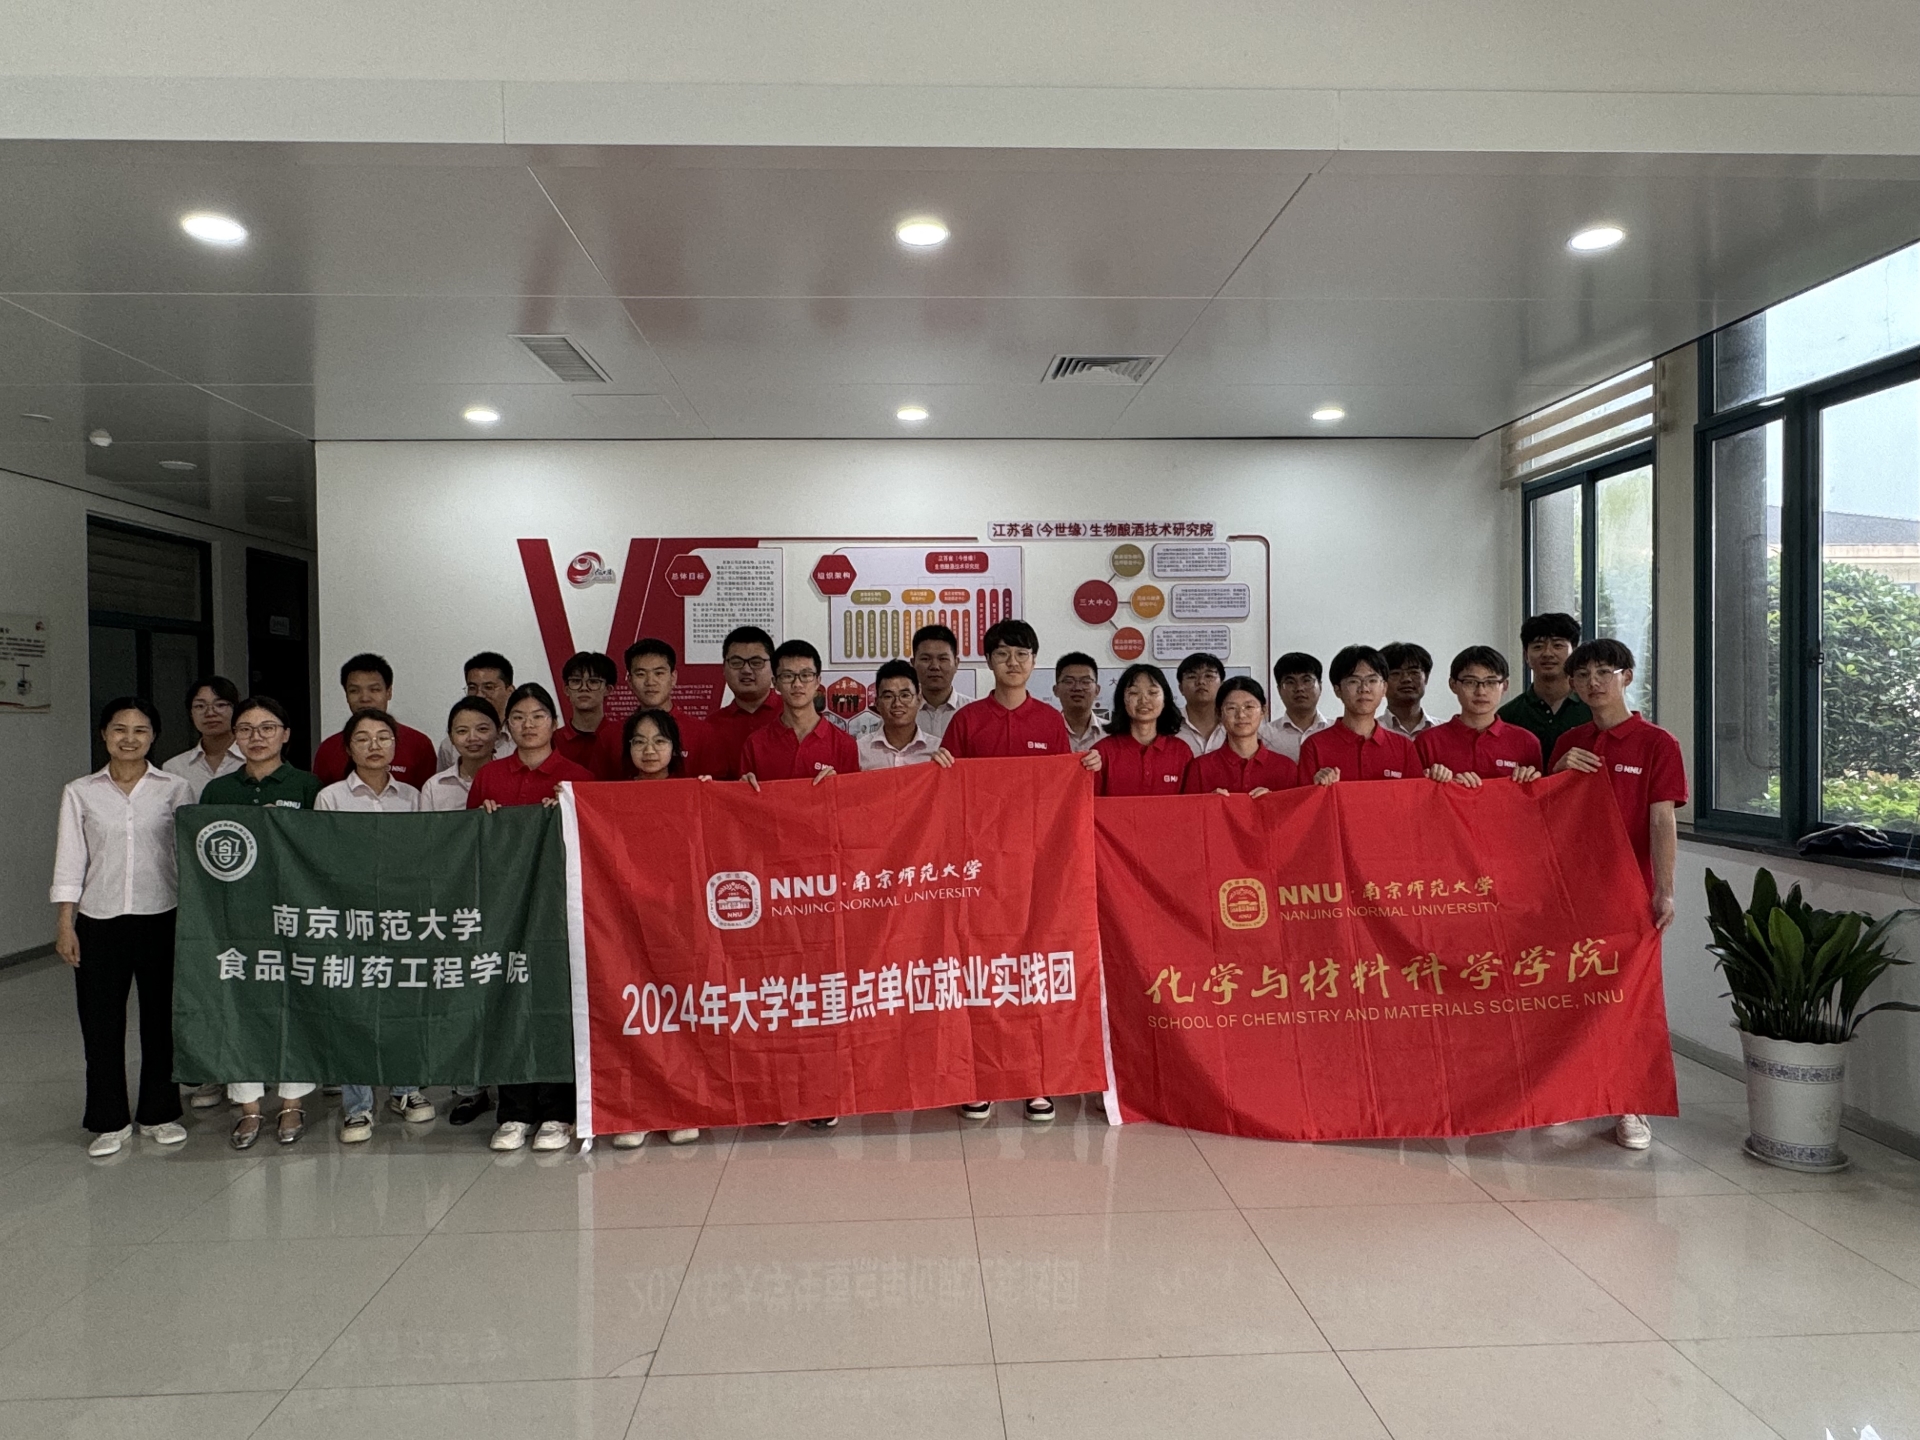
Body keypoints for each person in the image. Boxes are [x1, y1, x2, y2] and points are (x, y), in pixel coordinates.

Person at [937, 619, 1101, 1124]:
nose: (1013, 662)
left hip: (1037, 871)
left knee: (1033, 971)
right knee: (981, 972)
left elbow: (1061, 794)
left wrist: (1084, 770)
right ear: (988, 661)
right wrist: (939, 768)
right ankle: (981, 1079)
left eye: (1023, 654)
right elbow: (946, 799)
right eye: (1004, 653)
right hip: (979, 872)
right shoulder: (967, 721)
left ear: (1034, 662)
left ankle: (1035, 1080)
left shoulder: (1049, 722)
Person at [1548, 638, 1687, 1153]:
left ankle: (1631, 1104)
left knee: (1631, 1001)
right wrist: (1557, 773)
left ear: (1626, 676)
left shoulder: (1657, 743)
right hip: (1572, 892)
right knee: (1574, 995)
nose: (1593, 683)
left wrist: (1665, 890)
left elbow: (1662, 819)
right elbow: (1545, 814)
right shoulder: (1570, 741)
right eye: (1583, 676)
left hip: (1631, 892)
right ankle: (1576, 1092)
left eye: (1604, 672)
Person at [50, 697, 193, 1157]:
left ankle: (159, 1113)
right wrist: (66, 923)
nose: (129, 738)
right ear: (104, 734)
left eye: (140, 730)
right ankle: (108, 1121)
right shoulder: (81, 791)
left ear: (154, 737)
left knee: (161, 1021)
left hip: (162, 916)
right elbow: (71, 859)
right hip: (99, 921)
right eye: (119, 729)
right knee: (100, 1024)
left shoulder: (175, 788)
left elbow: (187, 857)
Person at [468, 682, 594, 1152]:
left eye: (538, 716)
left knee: (556, 1007)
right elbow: (469, 845)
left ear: (554, 723)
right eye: (518, 717)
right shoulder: (490, 777)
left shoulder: (578, 777)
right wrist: (485, 821)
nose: (528, 725)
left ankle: (558, 1111)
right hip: (504, 910)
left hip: (559, 913)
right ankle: (514, 1112)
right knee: (509, 1004)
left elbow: (593, 844)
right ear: (507, 726)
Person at [202, 696, 322, 1147]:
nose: (257, 737)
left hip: (294, 912)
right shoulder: (218, 790)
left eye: (267, 728)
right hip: (237, 915)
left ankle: (292, 1101)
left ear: (285, 734)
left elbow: (324, 850)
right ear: (235, 736)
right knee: (241, 1004)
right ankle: (248, 1106)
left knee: (295, 1001)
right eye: (246, 729)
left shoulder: (308, 786)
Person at [315, 709, 436, 1141]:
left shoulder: (413, 797)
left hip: (403, 915)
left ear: (395, 747)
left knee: (403, 1002)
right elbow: (321, 858)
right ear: (348, 748)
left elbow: (426, 854)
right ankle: (357, 1105)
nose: (374, 746)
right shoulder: (330, 798)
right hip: (351, 915)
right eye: (363, 738)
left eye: (383, 737)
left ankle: (404, 1090)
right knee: (354, 1008)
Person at [607, 708, 704, 1151]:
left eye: (659, 741)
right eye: (639, 741)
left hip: (681, 921)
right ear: (627, 749)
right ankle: (637, 1110)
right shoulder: (607, 799)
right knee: (633, 1014)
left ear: (675, 749)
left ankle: (681, 1107)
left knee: (681, 1015)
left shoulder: (694, 792)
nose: (649, 750)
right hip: (624, 921)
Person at [1416, 647, 1546, 785]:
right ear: (1453, 685)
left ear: (1505, 686)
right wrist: (1436, 783)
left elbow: (1538, 795)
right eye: (1470, 682)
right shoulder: (1427, 742)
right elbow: (1416, 793)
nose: (1481, 692)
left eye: (1491, 682)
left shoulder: (1526, 742)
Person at [740, 640, 861, 787]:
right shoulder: (755, 744)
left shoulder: (844, 744)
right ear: (775, 683)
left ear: (818, 681)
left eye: (806, 675)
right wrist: (743, 789)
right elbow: (743, 799)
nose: (797, 684)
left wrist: (837, 787)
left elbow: (852, 798)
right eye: (787, 676)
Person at [1299, 645, 1423, 784]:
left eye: (1372, 680)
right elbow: (1304, 797)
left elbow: (1418, 795)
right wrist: (1317, 787)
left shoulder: (1404, 748)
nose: (1364, 688)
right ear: (1337, 690)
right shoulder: (1314, 746)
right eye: (1354, 681)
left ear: (1384, 688)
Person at [594, 639, 717, 780]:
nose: (650, 682)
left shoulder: (703, 733)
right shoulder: (610, 736)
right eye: (641, 674)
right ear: (630, 681)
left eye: (659, 673)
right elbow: (594, 790)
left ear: (673, 678)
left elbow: (716, 788)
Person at [314, 653, 439, 786]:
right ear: (346, 695)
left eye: (374, 690)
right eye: (354, 691)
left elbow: (429, 795)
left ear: (389, 692)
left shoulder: (418, 744)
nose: (364, 698)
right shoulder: (329, 748)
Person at [1497, 612, 1592, 759]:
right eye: (1538, 647)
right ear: (1525, 656)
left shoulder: (1593, 709)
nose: (1548, 653)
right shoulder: (1508, 715)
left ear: (1574, 652)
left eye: (1557, 645)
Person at [1183, 676, 1298, 795]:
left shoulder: (1286, 767)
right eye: (1231, 708)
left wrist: (1274, 801)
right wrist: (1209, 802)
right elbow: (1189, 807)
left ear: (1263, 711)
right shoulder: (1200, 767)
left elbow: (1298, 806)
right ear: (1219, 714)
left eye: (1249, 707)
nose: (1241, 715)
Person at [1093, 664, 1192, 795]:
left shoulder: (1181, 751)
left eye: (1152, 692)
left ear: (1165, 700)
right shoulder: (1102, 752)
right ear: (1122, 699)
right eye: (1134, 693)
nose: (1143, 700)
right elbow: (1087, 803)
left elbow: (1193, 802)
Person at [707, 626, 781, 780]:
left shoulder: (792, 714)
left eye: (756, 662)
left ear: (774, 667)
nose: (746, 670)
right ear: (724, 668)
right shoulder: (711, 727)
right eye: (736, 662)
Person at [162, 675, 243, 799]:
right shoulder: (175, 768)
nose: (210, 713)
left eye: (220, 705)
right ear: (191, 713)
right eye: (200, 706)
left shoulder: (252, 760)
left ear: (236, 710)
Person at [436, 652, 519, 771]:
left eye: (489, 687)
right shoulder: (450, 745)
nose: (479, 695)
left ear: (510, 691)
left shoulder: (522, 737)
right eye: (472, 688)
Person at [419, 698, 503, 813]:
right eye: (462, 731)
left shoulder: (511, 780)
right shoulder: (434, 786)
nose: (472, 738)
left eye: (482, 729)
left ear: (498, 732)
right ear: (451, 737)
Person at [857, 660, 939, 769]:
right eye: (888, 696)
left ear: (919, 700)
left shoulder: (937, 751)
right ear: (877, 703)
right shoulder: (860, 751)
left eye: (905, 695)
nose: (897, 704)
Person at [1258, 652, 1332, 762]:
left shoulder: (1335, 731)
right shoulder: (1264, 736)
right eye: (1290, 682)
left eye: (1307, 681)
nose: (1299, 688)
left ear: (1320, 686)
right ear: (1279, 690)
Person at [554, 650, 618, 770]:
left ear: (608, 689)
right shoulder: (552, 741)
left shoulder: (620, 739)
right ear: (566, 689)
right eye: (576, 681)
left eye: (593, 682)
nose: (584, 688)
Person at [1174, 652, 1228, 756]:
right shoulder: (1169, 725)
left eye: (1209, 676)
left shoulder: (1234, 723)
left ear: (1222, 685)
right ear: (1181, 688)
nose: (1201, 682)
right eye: (1192, 676)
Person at [1379, 642, 1436, 738]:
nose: (1406, 679)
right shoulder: (1370, 732)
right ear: (1381, 682)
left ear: (1426, 678)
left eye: (1414, 672)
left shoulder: (1446, 732)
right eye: (1395, 673)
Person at [1052, 652, 1103, 753]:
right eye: (1069, 681)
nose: (1077, 688)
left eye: (1086, 682)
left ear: (1097, 690)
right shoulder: (1045, 732)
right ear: (1056, 690)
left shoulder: (1112, 733)